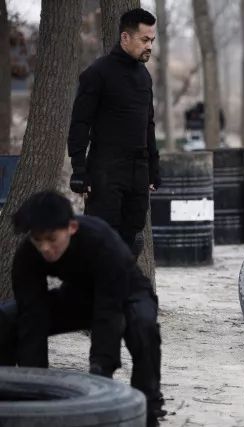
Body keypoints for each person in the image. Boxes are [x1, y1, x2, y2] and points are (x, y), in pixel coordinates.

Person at [0, 191, 165, 426]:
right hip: (78, 298)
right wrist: (34, 390)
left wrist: (99, 373)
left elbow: (109, 312)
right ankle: (8, 401)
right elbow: (31, 317)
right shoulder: (28, 254)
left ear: (72, 228)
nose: (45, 248)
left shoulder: (102, 240)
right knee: (6, 319)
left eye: (51, 239)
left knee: (143, 326)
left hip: (127, 293)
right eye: (38, 240)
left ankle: (148, 409)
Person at [67, 8, 160, 259]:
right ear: (125, 38)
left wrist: (154, 166)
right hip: (105, 168)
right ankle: (92, 294)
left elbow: (148, 124)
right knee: (101, 237)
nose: (149, 46)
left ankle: (120, 292)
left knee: (134, 237)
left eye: (152, 40)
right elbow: (79, 123)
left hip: (138, 170)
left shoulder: (144, 77)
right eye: (144, 40)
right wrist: (79, 170)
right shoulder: (97, 73)